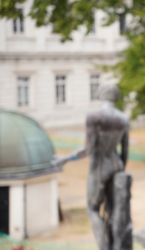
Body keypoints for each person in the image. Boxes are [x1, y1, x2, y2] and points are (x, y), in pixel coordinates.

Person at [53, 84, 131, 250]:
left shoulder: (94, 117)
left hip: (99, 166)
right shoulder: (123, 119)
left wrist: (66, 157)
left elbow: (88, 149)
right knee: (114, 209)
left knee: (92, 210)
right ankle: (116, 245)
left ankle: (104, 247)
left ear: (100, 95)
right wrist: (121, 171)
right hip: (116, 166)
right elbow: (125, 152)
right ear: (116, 97)